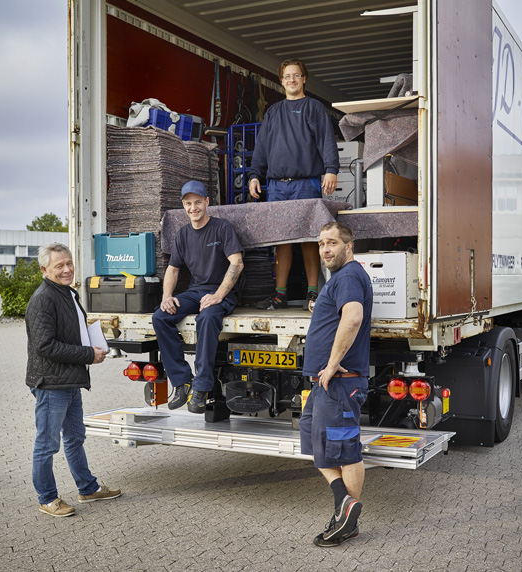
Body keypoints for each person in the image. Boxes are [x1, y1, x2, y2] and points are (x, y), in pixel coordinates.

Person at [26, 243, 121, 518]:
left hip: (68, 381)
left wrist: (92, 343)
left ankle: (87, 488)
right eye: (59, 266)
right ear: (44, 270)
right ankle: (47, 498)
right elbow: (45, 346)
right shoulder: (43, 298)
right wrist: (87, 354)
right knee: (47, 444)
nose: (67, 269)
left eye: (69, 263)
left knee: (75, 437)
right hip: (51, 383)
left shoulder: (68, 293)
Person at [299, 222, 373, 547]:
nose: (325, 249)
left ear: (348, 245)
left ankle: (347, 522)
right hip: (324, 384)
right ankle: (345, 502)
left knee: (346, 451)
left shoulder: (350, 276)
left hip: (340, 382)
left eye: (332, 242)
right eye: (320, 244)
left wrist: (330, 365)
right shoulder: (339, 279)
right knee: (311, 441)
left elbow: (353, 317)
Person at [248, 58, 340, 311]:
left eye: (296, 75)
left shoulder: (314, 108)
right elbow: (262, 148)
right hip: (276, 186)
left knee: (309, 239)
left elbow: (326, 141)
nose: (291, 80)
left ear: (304, 79)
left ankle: (313, 294)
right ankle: (280, 295)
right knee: (282, 241)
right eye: (287, 76)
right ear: (281, 81)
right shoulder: (273, 112)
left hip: (305, 182)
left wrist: (331, 169)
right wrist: (255, 174)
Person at [153, 180, 244, 414]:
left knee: (207, 318)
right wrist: (167, 296)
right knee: (161, 317)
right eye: (188, 203)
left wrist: (219, 295)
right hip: (195, 292)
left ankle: (202, 387)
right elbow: (173, 269)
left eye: (197, 202)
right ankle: (182, 382)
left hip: (222, 292)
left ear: (207, 202)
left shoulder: (222, 228)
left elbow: (237, 262)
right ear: (183, 206)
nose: (193, 208)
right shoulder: (182, 234)